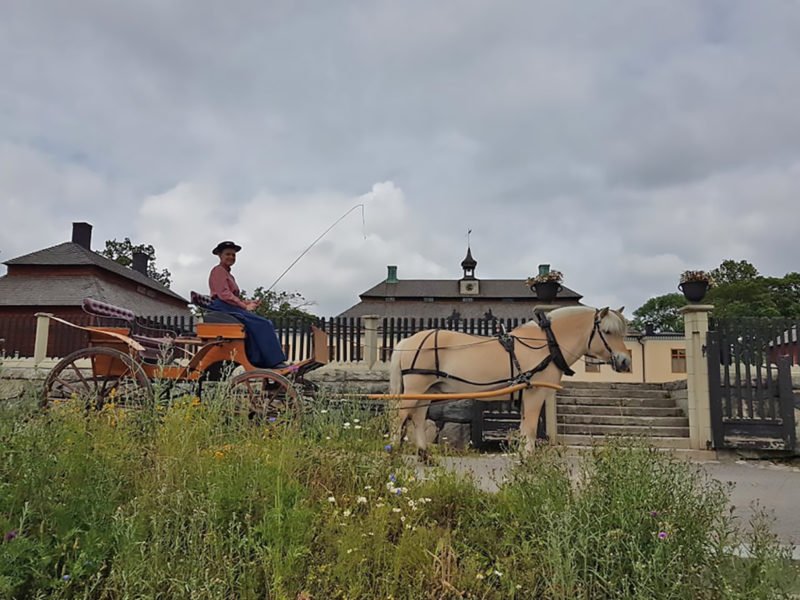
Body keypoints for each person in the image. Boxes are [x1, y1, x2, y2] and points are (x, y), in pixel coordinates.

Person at [208, 241, 288, 369]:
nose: (231, 257)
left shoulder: (229, 275)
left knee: (256, 325)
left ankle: (259, 359)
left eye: (233, 255)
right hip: (222, 308)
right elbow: (224, 294)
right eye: (228, 254)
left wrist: (249, 303)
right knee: (263, 324)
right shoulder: (218, 271)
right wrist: (245, 307)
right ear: (220, 255)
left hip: (228, 306)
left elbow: (232, 297)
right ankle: (274, 361)